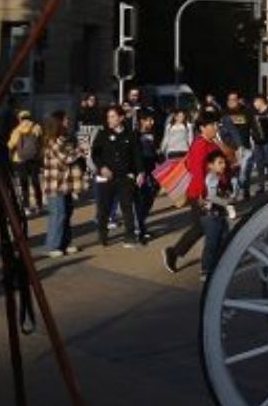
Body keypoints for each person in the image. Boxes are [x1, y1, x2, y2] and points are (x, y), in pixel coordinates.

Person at [163, 110, 227, 277]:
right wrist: (200, 194)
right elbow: (197, 171)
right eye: (212, 125)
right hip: (200, 194)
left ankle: (175, 252)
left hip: (213, 193)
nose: (216, 127)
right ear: (202, 127)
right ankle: (206, 267)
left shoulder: (213, 143)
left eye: (216, 124)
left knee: (201, 228)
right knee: (208, 227)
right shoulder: (200, 144)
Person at [89, 105, 143, 248]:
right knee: (104, 208)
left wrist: (140, 172)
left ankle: (130, 236)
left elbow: (137, 155)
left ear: (121, 118)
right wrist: (102, 168)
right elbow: (95, 154)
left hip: (125, 176)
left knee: (127, 207)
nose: (109, 120)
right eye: (108, 117)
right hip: (107, 177)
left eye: (112, 116)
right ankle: (103, 234)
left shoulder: (130, 134)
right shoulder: (102, 134)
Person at [41, 111, 86, 257]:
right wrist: (79, 151)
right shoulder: (52, 141)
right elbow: (65, 158)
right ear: (58, 122)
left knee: (66, 215)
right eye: (66, 119)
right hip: (55, 185)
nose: (68, 121)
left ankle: (64, 244)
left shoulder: (65, 138)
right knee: (58, 215)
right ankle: (52, 246)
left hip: (66, 185)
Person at [199, 149, 237, 280]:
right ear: (210, 165)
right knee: (212, 243)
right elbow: (212, 196)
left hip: (218, 215)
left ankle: (217, 267)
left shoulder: (220, 177)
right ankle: (205, 270)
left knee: (222, 240)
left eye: (224, 162)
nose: (223, 165)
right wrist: (227, 202)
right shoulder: (212, 177)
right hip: (211, 216)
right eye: (219, 163)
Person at [7, 110, 44, 216]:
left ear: (20, 118)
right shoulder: (37, 127)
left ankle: (26, 207)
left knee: (24, 184)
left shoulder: (17, 130)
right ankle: (39, 206)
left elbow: (10, 145)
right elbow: (41, 143)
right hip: (34, 159)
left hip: (20, 160)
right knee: (35, 182)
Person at [221, 92, 256, 199]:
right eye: (230, 100)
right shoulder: (224, 113)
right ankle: (235, 192)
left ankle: (245, 189)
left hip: (245, 146)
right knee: (234, 172)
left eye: (234, 99)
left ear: (238, 100)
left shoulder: (246, 112)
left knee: (245, 171)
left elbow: (253, 126)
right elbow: (223, 132)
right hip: (230, 148)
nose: (232, 102)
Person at [133, 109, 160, 243]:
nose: (152, 122)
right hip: (140, 172)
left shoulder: (153, 134)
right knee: (140, 200)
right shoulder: (135, 135)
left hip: (152, 170)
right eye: (149, 120)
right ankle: (139, 229)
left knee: (150, 198)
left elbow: (155, 152)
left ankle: (141, 224)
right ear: (142, 121)